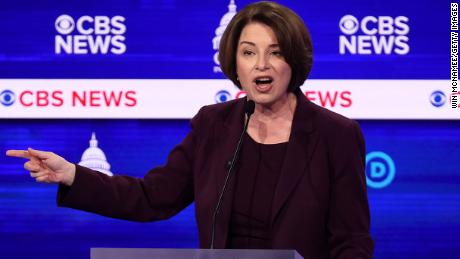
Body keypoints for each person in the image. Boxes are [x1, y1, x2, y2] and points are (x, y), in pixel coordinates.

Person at [6, 1, 374, 258]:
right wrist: (72, 174)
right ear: (234, 64)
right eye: (248, 52)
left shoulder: (335, 135)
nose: (262, 64)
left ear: (294, 60)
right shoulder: (214, 125)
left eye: (275, 52)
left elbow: (352, 242)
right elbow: (153, 197)